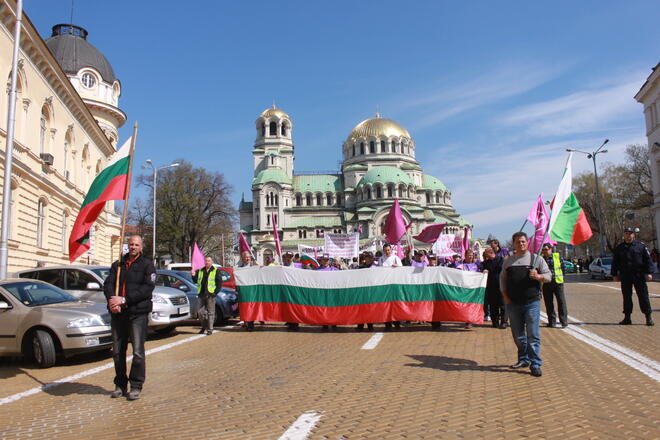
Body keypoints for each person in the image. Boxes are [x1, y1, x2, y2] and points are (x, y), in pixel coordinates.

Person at [104, 235, 155, 400]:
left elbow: (147, 289)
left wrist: (125, 300)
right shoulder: (118, 265)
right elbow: (108, 284)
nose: (133, 247)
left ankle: (136, 385)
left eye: (136, 245)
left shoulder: (147, 265)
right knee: (118, 352)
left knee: (138, 352)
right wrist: (113, 300)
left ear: (141, 247)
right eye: (131, 244)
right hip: (118, 314)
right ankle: (120, 384)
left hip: (137, 313)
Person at [500, 232, 551, 377]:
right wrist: (505, 297)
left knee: (533, 335)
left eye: (523, 241)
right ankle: (523, 359)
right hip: (513, 304)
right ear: (514, 244)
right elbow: (502, 280)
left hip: (531, 303)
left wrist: (538, 276)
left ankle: (535, 364)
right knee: (518, 335)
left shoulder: (536, 259)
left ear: (527, 243)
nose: (521, 244)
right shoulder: (508, 261)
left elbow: (548, 276)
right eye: (518, 242)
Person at [611, 227, 654, 326]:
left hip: (638, 275)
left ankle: (648, 317)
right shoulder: (619, 248)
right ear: (624, 235)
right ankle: (627, 318)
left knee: (643, 296)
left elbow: (648, 260)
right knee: (626, 297)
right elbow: (615, 262)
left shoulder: (641, 247)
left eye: (630, 233)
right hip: (625, 276)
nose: (628, 235)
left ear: (633, 235)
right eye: (626, 233)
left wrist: (649, 272)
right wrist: (614, 274)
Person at [191, 256, 223, 335]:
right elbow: (196, 281)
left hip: (210, 295)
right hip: (201, 294)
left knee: (211, 312)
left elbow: (219, 283)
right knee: (201, 313)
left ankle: (210, 329)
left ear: (211, 262)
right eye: (206, 261)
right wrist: (193, 275)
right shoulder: (201, 271)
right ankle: (204, 326)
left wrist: (215, 293)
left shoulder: (216, 271)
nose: (207, 262)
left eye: (209, 261)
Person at [541, 244, 568, 328]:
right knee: (549, 303)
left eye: (546, 249)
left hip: (557, 283)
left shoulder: (557, 257)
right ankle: (552, 322)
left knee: (561, 302)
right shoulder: (541, 259)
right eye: (543, 250)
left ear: (550, 249)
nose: (545, 251)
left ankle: (563, 321)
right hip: (546, 283)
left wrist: (561, 278)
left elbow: (563, 268)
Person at [481, 248, 507, 329]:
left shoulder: (500, 260)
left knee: (503, 305)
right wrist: (485, 270)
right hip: (491, 287)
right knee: (493, 305)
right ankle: (495, 322)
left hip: (501, 285)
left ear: (490, 253)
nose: (485, 255)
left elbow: (499, 269)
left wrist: (489, 270)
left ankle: (504, 322)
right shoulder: (485, 263)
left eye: (486, 253)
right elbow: (483, 269)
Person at [236, 251, 258, 330]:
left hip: (253, 291)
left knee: (251, 307)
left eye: (249, 257)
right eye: (246, 257)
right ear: (242, 259)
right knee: (245, 307)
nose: (247, 258)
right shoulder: (239, 268)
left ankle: (250, 324)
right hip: (243, 291)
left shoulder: (255, 267)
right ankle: (246, 322)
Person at [356, 251, 376, 331]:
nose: (368, 259)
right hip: (362, 291)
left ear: (372, 259)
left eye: (370, 258)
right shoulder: (361, 268)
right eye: (367, 257)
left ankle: (370, 325)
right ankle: (360, 325)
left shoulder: (376, 268)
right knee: (361, 309)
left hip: (371, 291)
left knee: (369, 309)